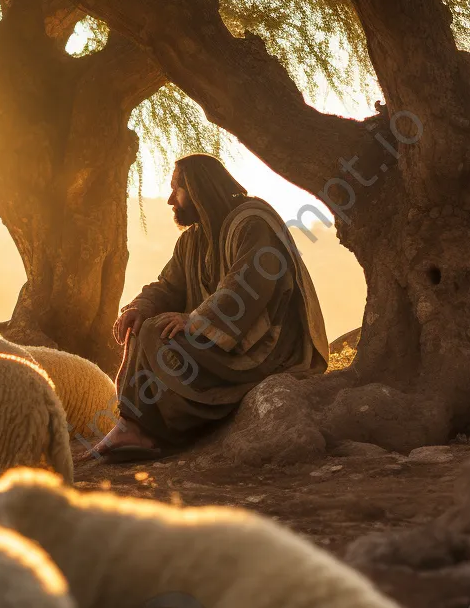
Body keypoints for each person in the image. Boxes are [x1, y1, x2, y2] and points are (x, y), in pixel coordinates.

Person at [88, 153, 329, 463]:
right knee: (143, 324)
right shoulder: (192, 240)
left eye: (177, 188)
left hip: (265, 344)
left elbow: (247, 286)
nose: (170, 199)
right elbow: (169, 286)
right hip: (220, 334)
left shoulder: (253, 222)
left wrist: (196, 320)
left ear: (200, 188)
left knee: (155, 331)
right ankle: (135, 426)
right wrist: (139, 306)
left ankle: (171, 429)